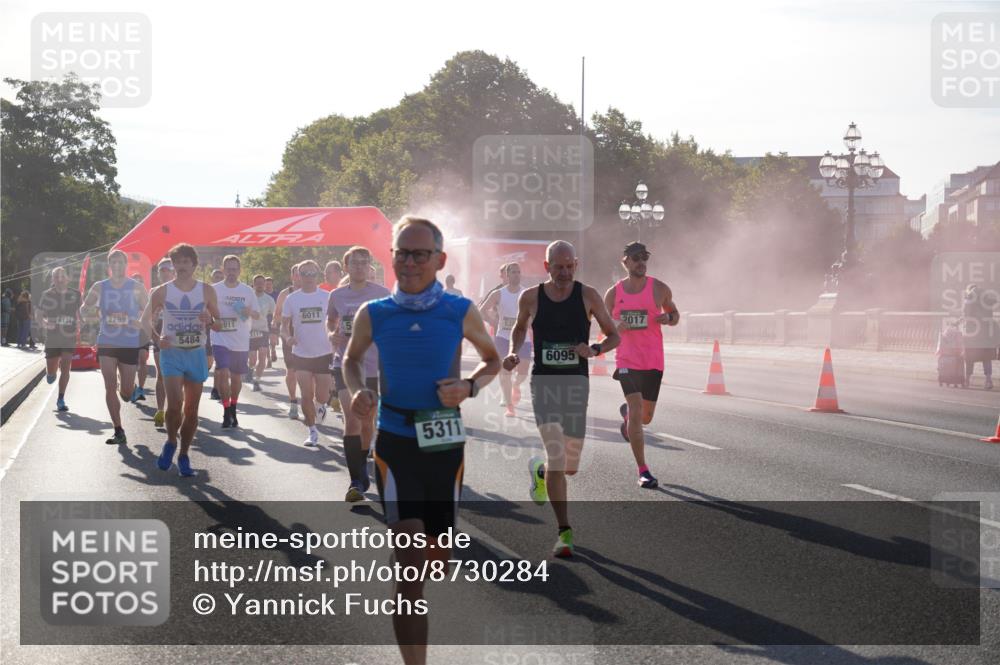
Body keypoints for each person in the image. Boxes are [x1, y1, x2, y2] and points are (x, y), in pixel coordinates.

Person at [344, 215, 498, 665]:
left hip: (443, 441)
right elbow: (351, 360)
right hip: (394, 439)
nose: (409, 263)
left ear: (439, 259)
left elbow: (491, 361)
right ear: (391, 258)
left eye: (420, 254)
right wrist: (357, 391)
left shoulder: (458, 309)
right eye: (402, 254)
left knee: (437, 555)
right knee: (408, 565)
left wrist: (469, 386)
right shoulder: (374, 313)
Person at [505, 240, 619, 558]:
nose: (565, 272)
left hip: (576, 385)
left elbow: (614, 335)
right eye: (559, 267)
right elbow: (518, 328)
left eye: (570, 266)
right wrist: (514, 352)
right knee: (557, 456)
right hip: (543, 384)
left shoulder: (588, 295)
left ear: (576, 264)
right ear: (547, 267)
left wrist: (594, 350)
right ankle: (564, 532)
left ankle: (540, 472)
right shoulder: (532, 297)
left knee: (569, 467)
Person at [603, 242, 680, 489]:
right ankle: (643, 470)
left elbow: (675, 315)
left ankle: (627, 416)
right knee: (637, 409)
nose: (641, 262)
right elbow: (603, 323)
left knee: (645, 418)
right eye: (635, 258)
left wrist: (668, 318)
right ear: (624, 262)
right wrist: (614, 326)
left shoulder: (659, 289)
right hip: (626, 359)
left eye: (644, 257)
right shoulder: (613, 294)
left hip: (653, 360)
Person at [142, 243, 221, 476]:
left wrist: (210, 320)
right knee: (174, 405)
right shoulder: (162, 291)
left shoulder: (206, 291)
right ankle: (170, 441)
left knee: (192, 409)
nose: (182, 266)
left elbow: (222, 324)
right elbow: (144, 320)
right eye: (178, 262)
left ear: (194, 265)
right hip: (172, 353)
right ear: (172, 265)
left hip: (196, 353)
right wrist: (157, 338)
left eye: (186, 262)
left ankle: (184, 454)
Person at [327, 245, 390, 501]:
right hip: (346, 365)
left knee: (367, 422)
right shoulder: (337, 295)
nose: (360, 266)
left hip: (374, 366)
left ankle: (363, 469)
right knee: (352, 418)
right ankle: (355, 481)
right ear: (346, 266)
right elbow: (330, 320)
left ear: (369, 266)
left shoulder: (383, 294)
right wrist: (332, 334)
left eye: (364, 262)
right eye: (355, 262)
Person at [80, 250, 149, 445]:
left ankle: (129, 387)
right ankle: (118, 430)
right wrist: (88, 312)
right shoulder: (100, 287)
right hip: (107, 342)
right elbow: (85, 308)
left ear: (126, 265)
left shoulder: (136, 287)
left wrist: (139, 322)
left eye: (120, 263)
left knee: (125, 393)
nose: (117, 266)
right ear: (109, 265)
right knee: (109, 386)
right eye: (113, 263)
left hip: (129, 343)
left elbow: (150, 311)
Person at [281, 260, 334, 446]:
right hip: (301, 354)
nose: (309, 277)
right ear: (298, 276)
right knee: (305, 394)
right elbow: (284, 326)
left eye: (312, 274)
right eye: (305, 274)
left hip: (324, 352)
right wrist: (288, 338)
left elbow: (336, 322)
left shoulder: (328, 296)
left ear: (317, 275)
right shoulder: (292, 299)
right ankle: (312, 432)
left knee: (322, 395)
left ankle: (321, 407)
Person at [211, 255, 260, 428]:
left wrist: (248, 311)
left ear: (240, 271)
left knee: (236, 377)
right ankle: (225, 411)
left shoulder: (247, 291)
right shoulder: (214, 289)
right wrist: (211, 321)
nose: (231, 272)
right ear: (223, 269)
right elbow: (205, 311)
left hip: (240, 340)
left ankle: (233, 406)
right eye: (228, 269)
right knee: (223, 372)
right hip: (220, 338)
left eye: (234, 269)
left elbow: (257, 314)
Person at [480, 262, 531, 417]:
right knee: (505, 372)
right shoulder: (499, 293)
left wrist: (529, 323)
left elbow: (536, 313)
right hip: (503, 337)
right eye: (513, 272)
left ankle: (516, 385)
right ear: (507, 275)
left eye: (518, 272)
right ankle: (510, 406)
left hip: (523, 338)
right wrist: (493, 322)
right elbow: (482, 310)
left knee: (523, 372)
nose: (516, 274)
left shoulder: (526, 293)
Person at [36, 267, 81, 412]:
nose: (59, 279)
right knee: (51, 374)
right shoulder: (46, 295)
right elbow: (39, 314)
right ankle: (51, 373)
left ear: (67, 278)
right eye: (56, 277)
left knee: (66, 367)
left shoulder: (75, 294)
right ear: (53, 280)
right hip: (53, 336)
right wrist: (45, 324)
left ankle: (61, 398)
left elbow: (80, 313)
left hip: (69, 336)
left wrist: (81, 323)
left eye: (62, 276)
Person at [274, 264, 302, 418]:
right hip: (290, 337)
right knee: (292, 371)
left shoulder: (314, 292)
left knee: (310, 373)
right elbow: (277, 315)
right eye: (296, 274)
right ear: (292, 277)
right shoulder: (286, 294)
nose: (299, 277)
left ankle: (314, 402)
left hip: (308, 337)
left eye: (302, 273)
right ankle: (293, 402)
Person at [151, 259, 175, 427]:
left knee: (178, 378)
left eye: (167, 270)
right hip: (161, 338)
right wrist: (155, 336)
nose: (165, 273)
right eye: (162, 271)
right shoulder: (153, 291)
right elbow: (148, 320)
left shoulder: (181, 290)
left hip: (179, 339)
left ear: (173, 272)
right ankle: (160, 410)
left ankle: (175, 408)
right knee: (161, 375)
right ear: (158, 274)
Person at [962, 283, 997, 390]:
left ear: (969, 290)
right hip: (986, 334)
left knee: (969, 358)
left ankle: (966, 380)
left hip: (973, 333)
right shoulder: (986, 297)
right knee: (986, 358)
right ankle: (988, 381)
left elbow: (966, 314)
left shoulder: (969, 297)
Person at [250, 274, 276, 391]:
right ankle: (250, 370)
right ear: (253, 284)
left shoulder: (269, 299)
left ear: (265, 285)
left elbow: (275, 315)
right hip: (249, 331)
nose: (260, 285)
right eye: (257, 283)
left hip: (263, 330)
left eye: (262, 283)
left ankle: (257, 380)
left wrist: (274, 330)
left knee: (262, 356)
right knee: (252, 359)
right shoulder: (248, 297)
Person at [129, 272, 151, 403]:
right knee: (130, 362)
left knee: (142, 359)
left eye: (139, 281)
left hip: (142, 331)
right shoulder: (124, 297)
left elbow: (151, 313)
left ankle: (141, 389)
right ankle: (131, 386)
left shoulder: (146, 297)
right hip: (127, 332)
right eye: (134, 281)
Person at [207, 268, 223, 400]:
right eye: (216, 276)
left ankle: (215, 389)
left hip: (222, 331)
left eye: (220, 276)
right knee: (208, 364)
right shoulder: (207, 291)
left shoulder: (227, 290)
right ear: (212, 278)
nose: (218, 278)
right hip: (207, 329)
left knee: (219, 362)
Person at [264, 276, 277, 366]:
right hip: (263, 319)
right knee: (265, 340)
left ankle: (273, 350)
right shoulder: (262, 294)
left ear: (272, 284)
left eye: (269, 284)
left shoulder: (277, 294)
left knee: (272, 339)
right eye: (266, 284)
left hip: (274, 318)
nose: (268, 286)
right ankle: (268, 359)